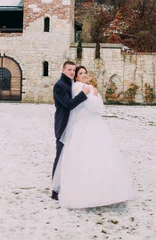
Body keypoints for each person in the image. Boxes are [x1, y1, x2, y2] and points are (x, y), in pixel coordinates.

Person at [52, 66, 134, 208]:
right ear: (75, 77)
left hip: (94, 125)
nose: (83, 75)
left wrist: (95, 94)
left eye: (84, 73)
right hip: (83, 125)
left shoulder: (87, 87)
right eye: (80, 73)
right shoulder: (78, 87)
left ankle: (102, 188)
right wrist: (94, 95)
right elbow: (88, 106)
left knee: (99, 156)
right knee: (81, 156)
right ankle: (66, 189)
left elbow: (99, 108)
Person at [51, 61, 90, 200]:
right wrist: (84, 94)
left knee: (69, 157)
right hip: (63, 125)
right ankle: (55, 190)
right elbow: (68, 104)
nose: (72, 72)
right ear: (63, 70)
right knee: (60, 156)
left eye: (73, 70)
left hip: (73, 126)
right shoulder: (59, 86)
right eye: (69, 70)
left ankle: (66, 185)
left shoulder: (71, 84)